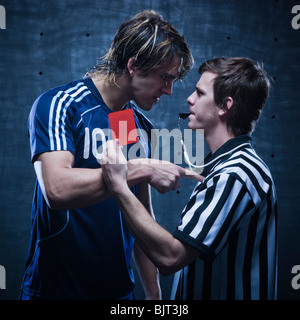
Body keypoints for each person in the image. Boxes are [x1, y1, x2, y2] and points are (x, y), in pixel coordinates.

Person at [20, 10, 200, 300]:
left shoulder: (133, 125)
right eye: (164, 78)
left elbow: (140, 219)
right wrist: (142, 168)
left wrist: (154, 298)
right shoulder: (63, 105)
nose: (168, 90)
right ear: (134, 65)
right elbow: (56, 188)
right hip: (55, 292)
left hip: (118, 296)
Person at [101, 57, 278, 300]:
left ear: (224, 106)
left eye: (199, 93)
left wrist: (119, 185)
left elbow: (170, 258)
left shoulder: (235, 175)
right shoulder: (227, 166)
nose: (188, 99)